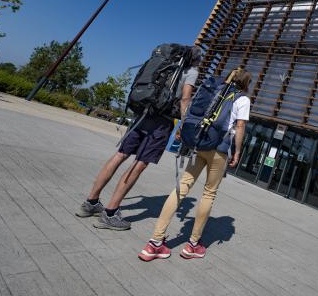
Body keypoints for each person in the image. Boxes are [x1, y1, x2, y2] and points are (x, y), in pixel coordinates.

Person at [75, 46, 203, 230]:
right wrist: (184, 124)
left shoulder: (166, 65)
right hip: (162, 122)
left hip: (142, 114)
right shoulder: (191, 71)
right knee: (139, 163)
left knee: (120, 155)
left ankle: (91, 202)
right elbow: (185, 99)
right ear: (195, 59)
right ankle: (110, 213)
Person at [138, 68, 252, 261]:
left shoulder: (215, 90)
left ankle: (155, 243)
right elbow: (240, 126)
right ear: (245, 83)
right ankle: (192, 245)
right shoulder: (242, 99)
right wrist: (238, 151)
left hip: (200, 144)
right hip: (220, 148)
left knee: (182, 187)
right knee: (209, 193)